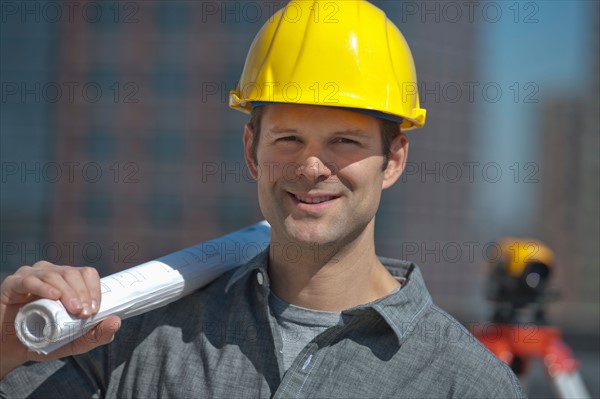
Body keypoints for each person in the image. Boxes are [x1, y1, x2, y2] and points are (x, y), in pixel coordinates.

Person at [0, 1, 526, 397]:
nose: (311, 166)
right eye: (288, 139)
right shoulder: (135, 336)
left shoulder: (464, 383)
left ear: (393, 160)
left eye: (344, 141)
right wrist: (4, 345)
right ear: (252, 150)